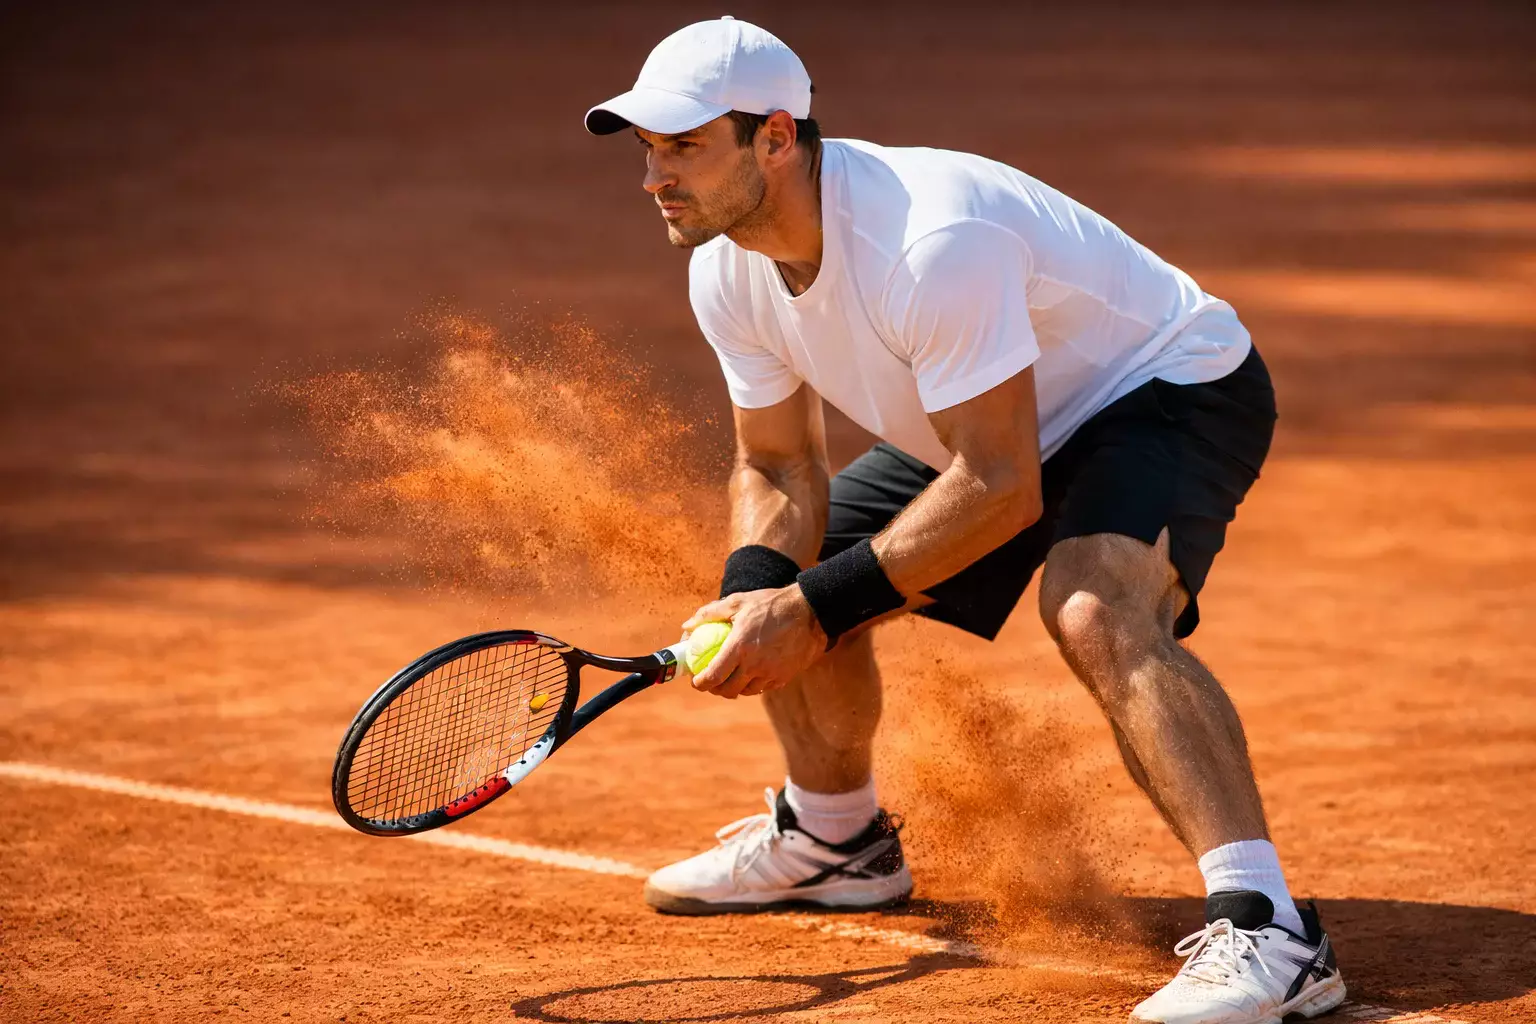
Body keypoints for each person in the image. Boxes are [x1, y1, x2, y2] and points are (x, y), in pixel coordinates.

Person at [584, 17, 1343, 1024]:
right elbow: (775, 464)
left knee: (1093, 608)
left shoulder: (928, 239)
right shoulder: (726, 268)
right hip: (986, 421)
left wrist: (809, 608)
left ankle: (1272, 930)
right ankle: (836, 839)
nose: (655, 178)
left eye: (683, 147)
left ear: (776, 137)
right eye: (647, 150)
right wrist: (753, 592)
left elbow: (1001, 484)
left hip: (1160, 387)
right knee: (794, 577)